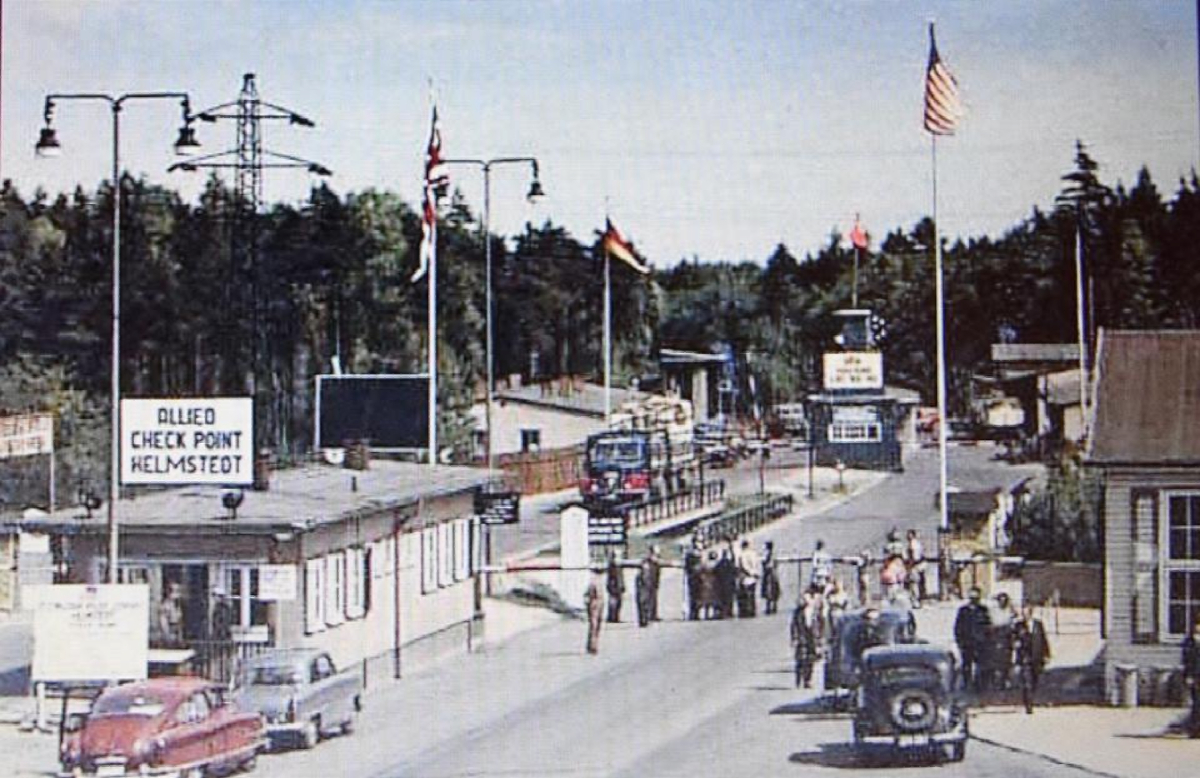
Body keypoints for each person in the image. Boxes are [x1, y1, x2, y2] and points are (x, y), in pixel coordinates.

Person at [1012, 604, 1051, 714]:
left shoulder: (1038, 624)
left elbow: (1043, 639)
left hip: (1037, 656)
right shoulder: (1018, 625)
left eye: (1028, 612)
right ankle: (1028, 704)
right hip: (1025, 657)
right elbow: (1013, 639)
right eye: (1024, 612)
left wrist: (1047, 654)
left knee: (1034, 679)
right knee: (1027, 681)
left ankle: (1031, 696)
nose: (1026, 614)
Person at [954, 587, 991, 691]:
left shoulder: (983, 610)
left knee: (981, 665)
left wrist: (986, 639)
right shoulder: (963, 610)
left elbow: (987, 626)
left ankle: (980, 685)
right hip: (967, 642)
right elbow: (958, 626)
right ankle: (967, 683)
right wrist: (959, 641)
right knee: (966, 665)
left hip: (980, 642)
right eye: (972, 596)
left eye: (976, 597)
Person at [790, 591, 819, 688]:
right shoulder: (798, 612)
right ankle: (798, 678)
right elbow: (793, 625)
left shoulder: (815, 611)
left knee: (811, 660)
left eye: (808, 599)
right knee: (800, 659)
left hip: (812, 638)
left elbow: (820, 625)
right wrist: (794, 638)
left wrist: (819, 638)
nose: (806, 601)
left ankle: (808, 680)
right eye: (804, 599)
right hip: (802, 637)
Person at [1183, 618, 1200, 736]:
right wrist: (1188, 675)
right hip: (1195, 675)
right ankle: (1195, 729)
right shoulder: (1190, 642)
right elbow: (1187, 661)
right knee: (1196, 703)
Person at [736, 539, 760, 618]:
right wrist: (755, 573)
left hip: (746, 577)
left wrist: (749, 573)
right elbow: (756, 564)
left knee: (745, 595)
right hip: (753, 577)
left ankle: (746, 611)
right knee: (752, 594)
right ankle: (753, 610)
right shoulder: (754, 553)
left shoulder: (742, 554)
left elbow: (744, 566)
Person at [905, 529, 927, 606]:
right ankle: (919, 600)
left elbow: (914, 557)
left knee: (913, 583)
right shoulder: (916, 543)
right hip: (919, 565)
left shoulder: (913, 544)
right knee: (918, 583)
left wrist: (910, 567)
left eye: (909, 534)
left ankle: (916, 601)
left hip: (916, 565)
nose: (907, 536)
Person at [157, 582, 184, 646]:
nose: (176, 594)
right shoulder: (165, 605)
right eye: (173, 591)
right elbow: (163, 623)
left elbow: (180, 621)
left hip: (176, 634)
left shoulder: (179, 605)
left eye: (177, 591)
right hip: (168, 635)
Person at [715, 546, 737, 620]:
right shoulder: (730, 563)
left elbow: (715, 572)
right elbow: (735, 572)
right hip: (730, 583)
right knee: (730, 599)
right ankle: (729, 612)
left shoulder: (719, 564)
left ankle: (723, 612)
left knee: (723, 599)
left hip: (721, 584)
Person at [584, 572, 604, 654]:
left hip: (599, 605)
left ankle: (593, 645)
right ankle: (593, 646)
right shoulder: (593, 584)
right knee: (594, 626)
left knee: (597, 626)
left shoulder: (599, 584)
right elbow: (587, 596)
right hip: (594, 606)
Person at [684, 539, 703, 621]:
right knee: (694, 595)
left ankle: (695, 613)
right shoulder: (692, 554)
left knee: (696, 595)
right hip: (694, 576)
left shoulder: (691, 553)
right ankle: (694, 613)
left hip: (694, 576)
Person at [761, 541, 781, 615]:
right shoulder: (773, 554)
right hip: (773, 573)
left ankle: (770, 607)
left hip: (769, 574)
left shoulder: (769, 554)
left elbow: (769, 564)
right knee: (772, 590)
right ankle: (773, 607)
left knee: (769, 590)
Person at [635, 557, 655, 628]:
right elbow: (642, 583)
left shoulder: (647, 572)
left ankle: (644, 620)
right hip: (642, 591)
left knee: (645, 606)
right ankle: (643, 621)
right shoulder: (641, 573)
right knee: (643, 606)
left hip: (646, 591)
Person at [605, 554, 625, 623]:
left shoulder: (619, 566)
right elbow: (610, 578)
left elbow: (621, 577)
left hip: (619, 587)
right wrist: (611, 587)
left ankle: (616, 617)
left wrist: (622, 585)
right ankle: (612, 617)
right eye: (618, 557)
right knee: (613, 603)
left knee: (619, 603)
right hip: (614, 587)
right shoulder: (612, 566)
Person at [646, 545, 663, 621]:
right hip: (649, 580)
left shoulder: (657, 559)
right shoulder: (649, 559)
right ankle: (649, 614)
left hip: (655, 580)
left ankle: (654, 614)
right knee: (649, 598)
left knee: (654, 598)